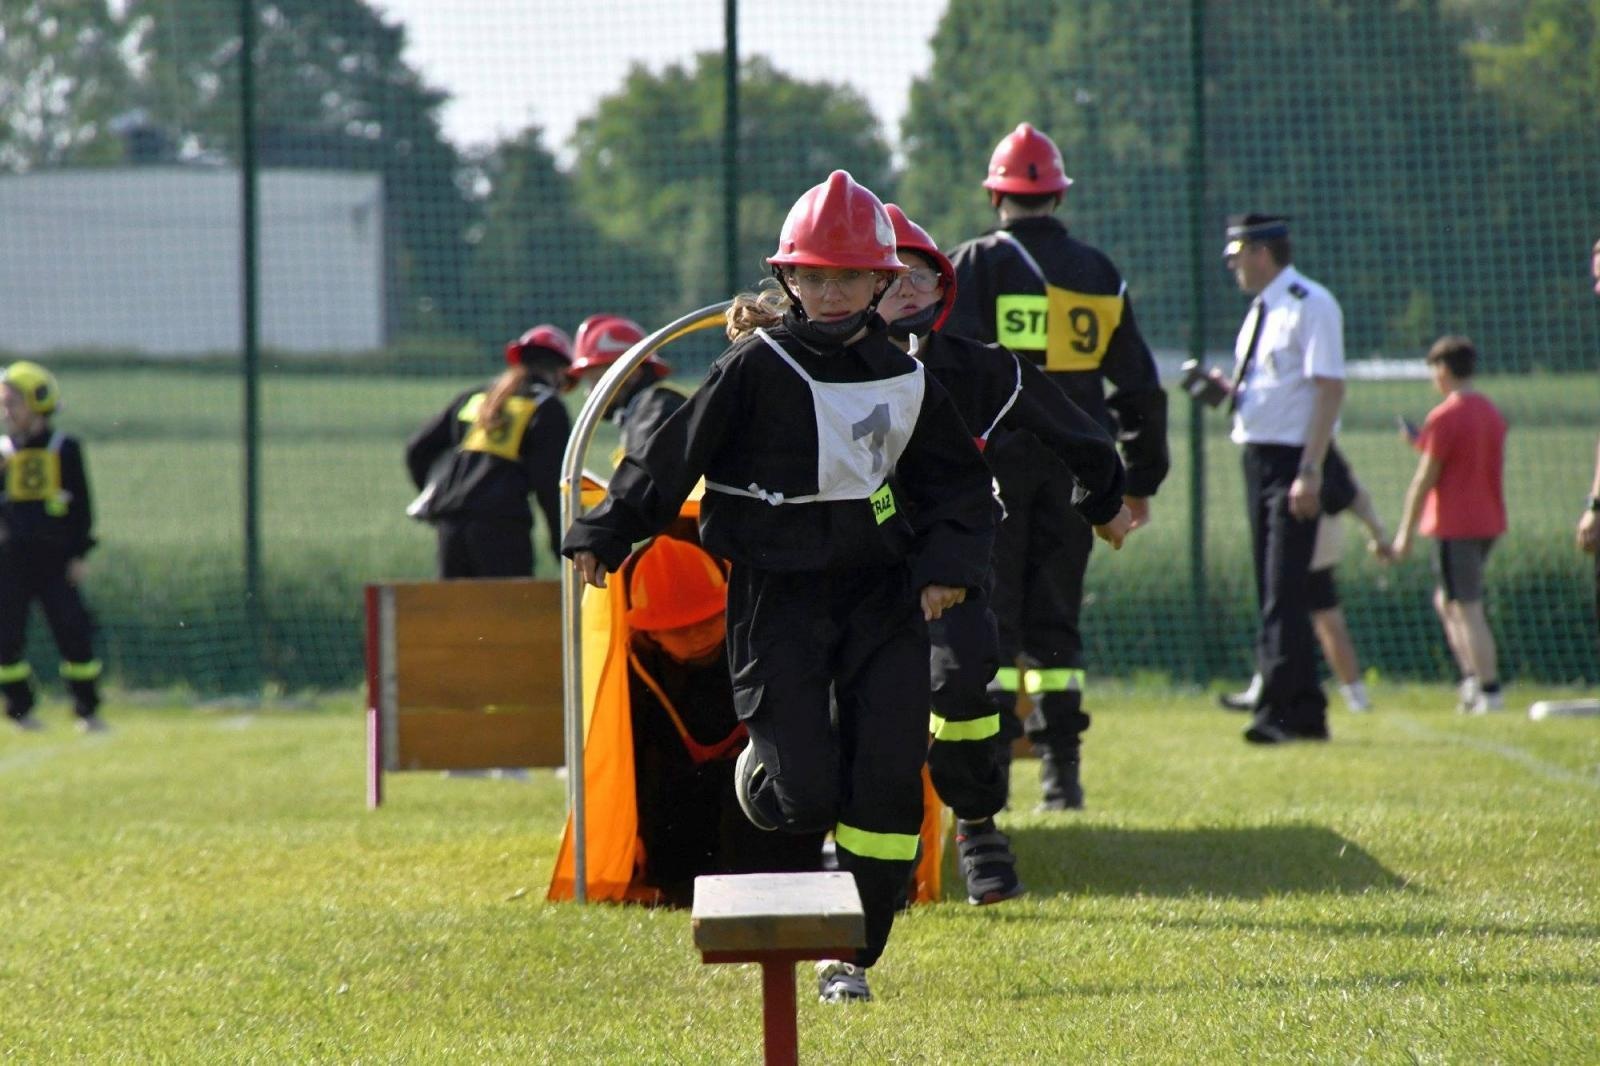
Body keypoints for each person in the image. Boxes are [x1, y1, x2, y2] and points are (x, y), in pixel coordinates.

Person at [564, 171, 998, 1003]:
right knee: (802, 795)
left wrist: (947, 571)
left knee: (885, 780)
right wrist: (605, 532)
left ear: (883, 282)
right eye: (814, 276)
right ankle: (764, 779)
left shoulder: (908, 380)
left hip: (883, 598)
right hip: (777, 600)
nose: (831, 292)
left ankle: (853, 959)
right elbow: (670, 456)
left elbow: (961, 489)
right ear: (788, 281)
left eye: (849, 276)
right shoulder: (751, 369)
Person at [879, 203, 1131, 904]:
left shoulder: (978, 371)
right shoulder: (808, 368)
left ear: (942, 292)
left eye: (920, 276)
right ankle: (867, 858)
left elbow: (1075, 429)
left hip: (954, 569)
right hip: (850, 571)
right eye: (888, 274)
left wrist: (1105, 502)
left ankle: (979, 823)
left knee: (964, 687)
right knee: (857, 706)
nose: (904, 286)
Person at [944, 122, 1169, 807]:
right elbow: (1138, 387)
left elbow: (944, 373)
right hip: (1080, 472)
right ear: (1059, 196)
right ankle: (1060, 777)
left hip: (996, 473)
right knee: (1056, 622)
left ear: (994, 194)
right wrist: (1139, 480)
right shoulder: (1098, 272)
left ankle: (989, 782)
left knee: (993, 623)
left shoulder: (971, 268)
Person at [619, 534, 824, 906]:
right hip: (677, 810)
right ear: (648, 632)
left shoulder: (758, 640)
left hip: (757, 801)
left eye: (708, 619)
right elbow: (625, 759)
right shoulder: (634, 672)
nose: (697, 635)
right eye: (679, 629)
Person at [1222, 213, 1356, 744]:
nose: (1232, 266)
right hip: (1258, 458)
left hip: (1292, 463)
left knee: (1283, 589)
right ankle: (1304, 711)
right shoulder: (1265, 307)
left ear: (1260, 251)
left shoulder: (1309, 303)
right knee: (1277, 590)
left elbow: (1329, 390)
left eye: (1236, 255)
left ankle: (1279, 714)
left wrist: (1310, 469)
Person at [1391, 335, 1508, 714]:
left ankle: (1488, 690)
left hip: (1455, 524)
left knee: (1466, 606)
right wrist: (1420, 443)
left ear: (1443, 370)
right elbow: (1463, 459)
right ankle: (1473, 679)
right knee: (1448, 601)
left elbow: (1425, 479)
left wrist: (1403, 535)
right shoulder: (1489, 411)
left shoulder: (1445, 416)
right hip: (1488, 519)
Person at [405, 325, 573, 578]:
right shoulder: (547, 407)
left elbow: (417, 449)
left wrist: (439, 493)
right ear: (561, 373)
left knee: (455, 614)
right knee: (506, 614)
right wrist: (565, 550)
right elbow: (551, 487)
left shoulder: (476, 397)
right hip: (502, 530)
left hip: (450, 527)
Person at [1220, 479, 1391, 714]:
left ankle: (1355, 695)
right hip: (1303, 546)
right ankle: (1263, 686)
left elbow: (1355, 495)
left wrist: (1378, 535)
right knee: (1286, 617)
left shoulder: (1317, 460)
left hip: (1312, 547)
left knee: (1320, 619)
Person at [0, 361, 105, 733]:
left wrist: (79, 553)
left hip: (56, 561)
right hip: (11, 563)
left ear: (37, 402)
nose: (7, 411)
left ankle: (87, 710)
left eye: (14, 402)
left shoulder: (65, 448)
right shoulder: (3, 452)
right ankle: (19, 709)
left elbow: (83, 507)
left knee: (73, 631)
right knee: (5, 637)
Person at [567, 313, 686, 459]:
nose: (589, 392)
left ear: (632, 371)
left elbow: (644, 480)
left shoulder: (654, 414)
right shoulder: (644, 411)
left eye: (597, 380)